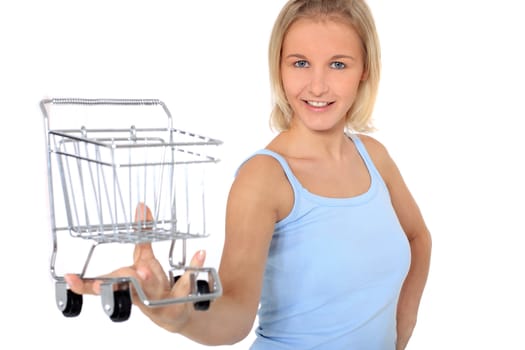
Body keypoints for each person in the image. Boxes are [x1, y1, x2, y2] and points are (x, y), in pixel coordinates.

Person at [65, 0, 432, 349]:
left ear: (364, 69)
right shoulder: (264, 177)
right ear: (278, 67)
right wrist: (176, 316)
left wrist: (402, 329)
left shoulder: (374, 157)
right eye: (300, 63)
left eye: (338, 65)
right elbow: (236, 314)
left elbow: (418, 238)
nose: (317, 86)